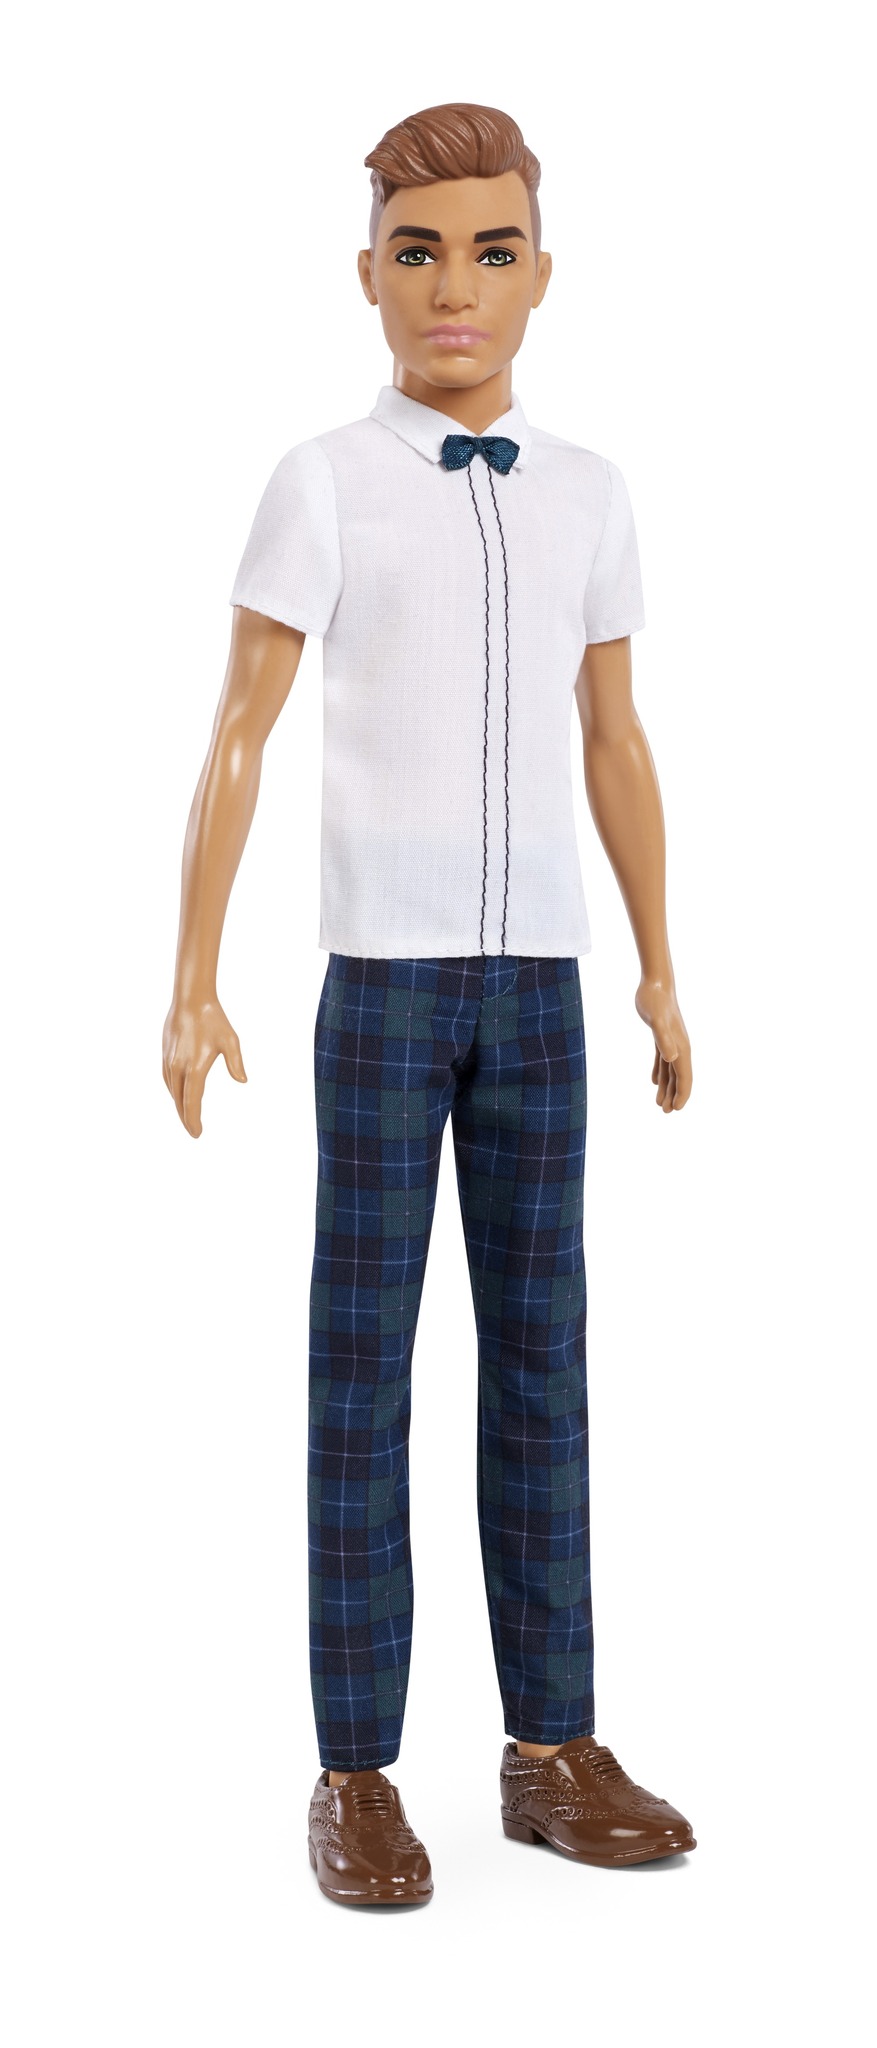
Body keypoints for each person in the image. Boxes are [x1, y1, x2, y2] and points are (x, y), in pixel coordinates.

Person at [163, 100, 696, 1908]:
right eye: (417, 251)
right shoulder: (323, 480)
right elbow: (239, 727)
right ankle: (355, 1770)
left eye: (488, 250)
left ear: (541, 276)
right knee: (360, 1369)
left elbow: (614, 738)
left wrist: (658, 963)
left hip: (540, 987)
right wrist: (191, 974)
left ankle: (551, 1746)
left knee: (544, 1363)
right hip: (381, 990)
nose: (452, 286)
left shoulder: (591, 493)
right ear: (367, 275)